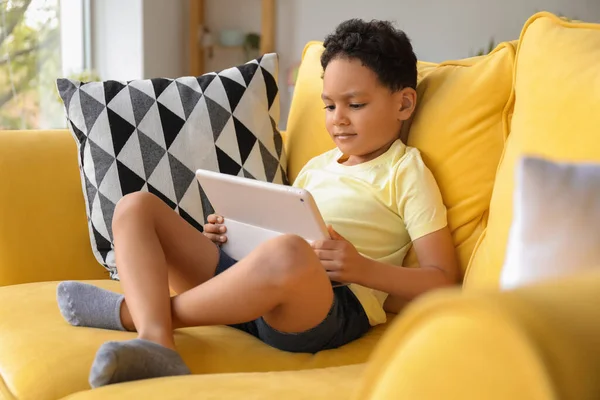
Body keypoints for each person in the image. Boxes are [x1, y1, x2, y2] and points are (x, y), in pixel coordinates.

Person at [56, 18, 458, 388]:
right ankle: (157, 342)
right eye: (329, 105)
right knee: (135, 207)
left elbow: (443, 279)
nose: (338, 119)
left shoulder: (407, 172)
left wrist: (360, 268)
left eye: (355, 105)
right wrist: (228, 237)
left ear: (404, 104)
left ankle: (134, 313)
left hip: (327, 306)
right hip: (254, 284)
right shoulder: (317, 167)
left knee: (289, 252)